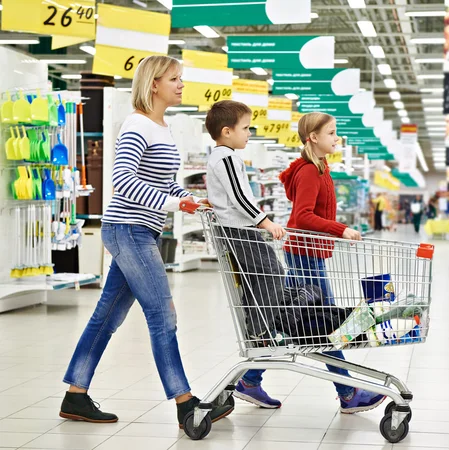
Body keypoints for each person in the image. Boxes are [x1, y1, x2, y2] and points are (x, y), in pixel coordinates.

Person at [60, 56, 233, 428]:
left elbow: (158, 181)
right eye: (175, 79)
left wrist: (187, 198)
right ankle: (186, 403)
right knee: (163, 315)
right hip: (128, 229)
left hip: (142, 229)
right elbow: (122, 181)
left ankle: (75, 395)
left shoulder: (162, 126)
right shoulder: (137, 124)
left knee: (107, 315)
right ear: (153, 84)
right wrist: (173, 203)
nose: (181, 84)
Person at [276, 112, 386, 414]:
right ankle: (349, 392)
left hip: (307, 253)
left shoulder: (318, 168)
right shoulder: (310, 171)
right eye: (331, 133)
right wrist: (341, 229)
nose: (337, 138)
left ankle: (250, 377)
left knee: (292, 321)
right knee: (322, 323)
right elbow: (302, 217)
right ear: (313, 137)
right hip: (304, 254)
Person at [204, 100, 287, 409]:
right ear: (227, 132)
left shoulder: (225, 156)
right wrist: (264, 221)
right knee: (274, 273)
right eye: (246, 128)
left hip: (240, 230)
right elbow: (239, 196)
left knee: (263, 277)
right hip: (241, 231)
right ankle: (260, 331)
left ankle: (260, 328)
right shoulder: (226, 157)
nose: (250, 133)